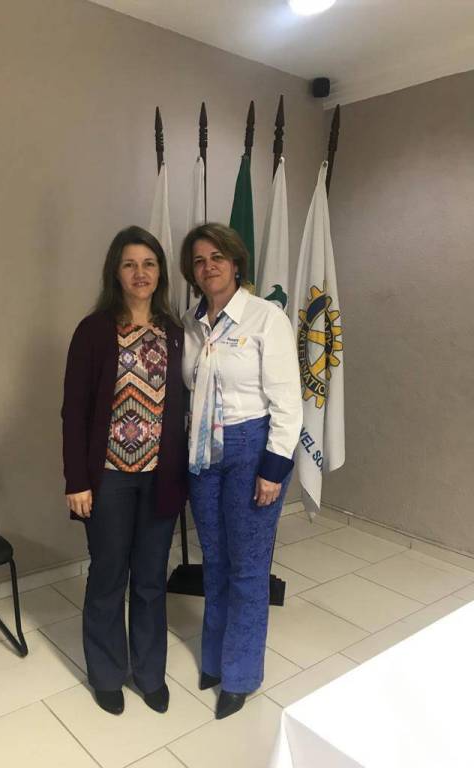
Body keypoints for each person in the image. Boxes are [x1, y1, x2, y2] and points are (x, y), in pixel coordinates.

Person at [61, 226, 187, 716]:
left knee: (152, 579)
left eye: (149, 264)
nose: (140, 273)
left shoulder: (174, 333)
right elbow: (74, 410)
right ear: (115, 272)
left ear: (160, 273)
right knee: (109, 575)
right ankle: (107, 673)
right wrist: (77, 480)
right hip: (109, 476)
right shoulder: (94, 330)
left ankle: (150, 674)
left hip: (161, 476)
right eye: (130, 264)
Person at [181, 223, 302, 720]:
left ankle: (241, 674)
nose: (208, 266)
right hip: (202, 452)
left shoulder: (265, 317)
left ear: (235, 263)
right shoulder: (191, 323)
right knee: (215, 559)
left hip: (252, 448)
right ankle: (213, 659)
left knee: (249, 567)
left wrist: (273, 469)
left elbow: (288, 402)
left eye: (217, 257)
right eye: (199, 260)